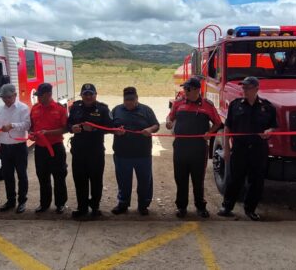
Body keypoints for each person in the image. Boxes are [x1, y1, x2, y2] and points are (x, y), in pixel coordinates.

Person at [217, 77, 277, 221]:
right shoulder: (235, 105)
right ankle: (227, 206)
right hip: (239, 148)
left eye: (247, 88)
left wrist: (270, 131)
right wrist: (226, 149)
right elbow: (227, 127)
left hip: (258, 149)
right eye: (243, 88)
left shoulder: (267, 107)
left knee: (256, 181)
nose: (244, 90)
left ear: (256, 89)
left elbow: (274, 126)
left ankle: (250, 209)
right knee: (235, 179)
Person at [166, 76, 222, 218]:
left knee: (198, 180)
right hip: (180, 147)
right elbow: (170, 117)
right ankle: (181, 207)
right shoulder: (178, 104)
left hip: (198, 148)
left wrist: (210, 133)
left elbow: (218, 122)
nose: (185, 91)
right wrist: (169, 123)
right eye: (184, 88)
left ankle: (200, 207)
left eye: (188, 88)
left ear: (197, 90)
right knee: (180, 179)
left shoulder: (207, 105)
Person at [110, 87, 159, 216]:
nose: (129, 102)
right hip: (122, 154)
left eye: (132, 99)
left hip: (142, 155)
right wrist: (116, 131)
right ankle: (123, 204)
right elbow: (108, 126)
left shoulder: (146, 110)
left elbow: (156, 125)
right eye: (127, 100)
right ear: (123, 99)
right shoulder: (116, 110)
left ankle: (143, 205)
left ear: (137, 98)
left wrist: (150, 129)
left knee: (144, 181)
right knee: (123, 181)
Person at [67, 83, 112, 219]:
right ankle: (82, 208)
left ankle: (95, 208)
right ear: (81, 95)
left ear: (95, 95)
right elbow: (68, 123)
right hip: (79, 151)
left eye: (90, 94)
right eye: (85, 94)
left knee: (96, 181)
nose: (88, 97)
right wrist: (72, 128)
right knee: (80, 180)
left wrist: (94, 129)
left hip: (95, 151)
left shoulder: (103, 109)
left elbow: (110, 127)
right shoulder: (75, 107)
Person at [29, 83, 68, 214]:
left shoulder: (60, 109)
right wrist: (32, 134)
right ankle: (44, 204)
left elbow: (65, 128)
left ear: (49, 95)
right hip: (40, 149)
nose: (39, 98)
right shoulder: (34, 108)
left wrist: (48, 133)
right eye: (38, 96)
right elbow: (32, 126)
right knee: (43, 177)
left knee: (59, 176)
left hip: (56, 147)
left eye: (41, 96)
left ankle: (60, 204)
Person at [0, 84, 31, 214]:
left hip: (18, 146)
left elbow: (27, 125)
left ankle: (22, 201)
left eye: (9, 97)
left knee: (22, 175)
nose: (6, 100)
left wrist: (12, 126)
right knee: (7, 175)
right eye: (4, 97)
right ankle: (10, 200)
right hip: (4, 147)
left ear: (15, 95)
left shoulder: (23, 108)